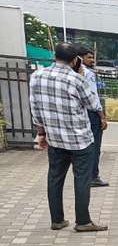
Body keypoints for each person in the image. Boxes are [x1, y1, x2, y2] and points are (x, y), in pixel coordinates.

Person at [29, 42, 108, 232]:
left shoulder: (37, 76)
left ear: (55, 56)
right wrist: (80, 75)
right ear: (75, 60)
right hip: (79, 139)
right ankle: (83, 221)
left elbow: (35, 108)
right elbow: (91, 103)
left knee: (54, 177)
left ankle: (57, 219)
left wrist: (41, 133)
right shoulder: (76, 79)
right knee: (82, 178)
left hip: (55, 138)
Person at [75, 44, 109, 187]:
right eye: (89, 57)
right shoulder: (87, 73)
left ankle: (83, 176)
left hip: (78, 113)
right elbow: (92, 97)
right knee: (94, 146)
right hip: (91, 113)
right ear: (79, 58)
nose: (92, 60)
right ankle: (93, 177)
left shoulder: (70, 74)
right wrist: (102, 116)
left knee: (82, 147)